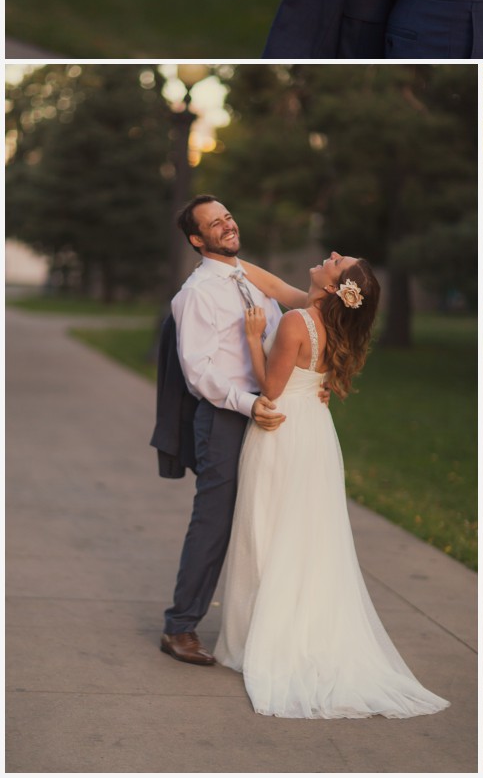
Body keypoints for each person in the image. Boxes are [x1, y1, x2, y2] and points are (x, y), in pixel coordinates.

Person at [212, 253, 449, 719]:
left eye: (338, 261)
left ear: (336, 284)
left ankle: (260, 638)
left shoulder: (297, 322)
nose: (330, 256)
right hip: (316, 434)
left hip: (281, 430)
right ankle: (294, 628)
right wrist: (231, 263)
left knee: (266, 528)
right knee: (305, 538)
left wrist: (254, 338)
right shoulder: (330, 321)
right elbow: (307, 368)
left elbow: (271, 390)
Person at [160, 195, 302, 666]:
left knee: (269, 518)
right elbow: (198, 371)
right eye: (214, 224)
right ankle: (180, 627)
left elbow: (283, 338)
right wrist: (249, 403)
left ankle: (269, 625)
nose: (227, 225)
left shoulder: (250, 278)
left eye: (227, 217)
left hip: (269, 410)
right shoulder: (197, 294)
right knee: (215, 521)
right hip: (225, 417)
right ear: (197, 240)